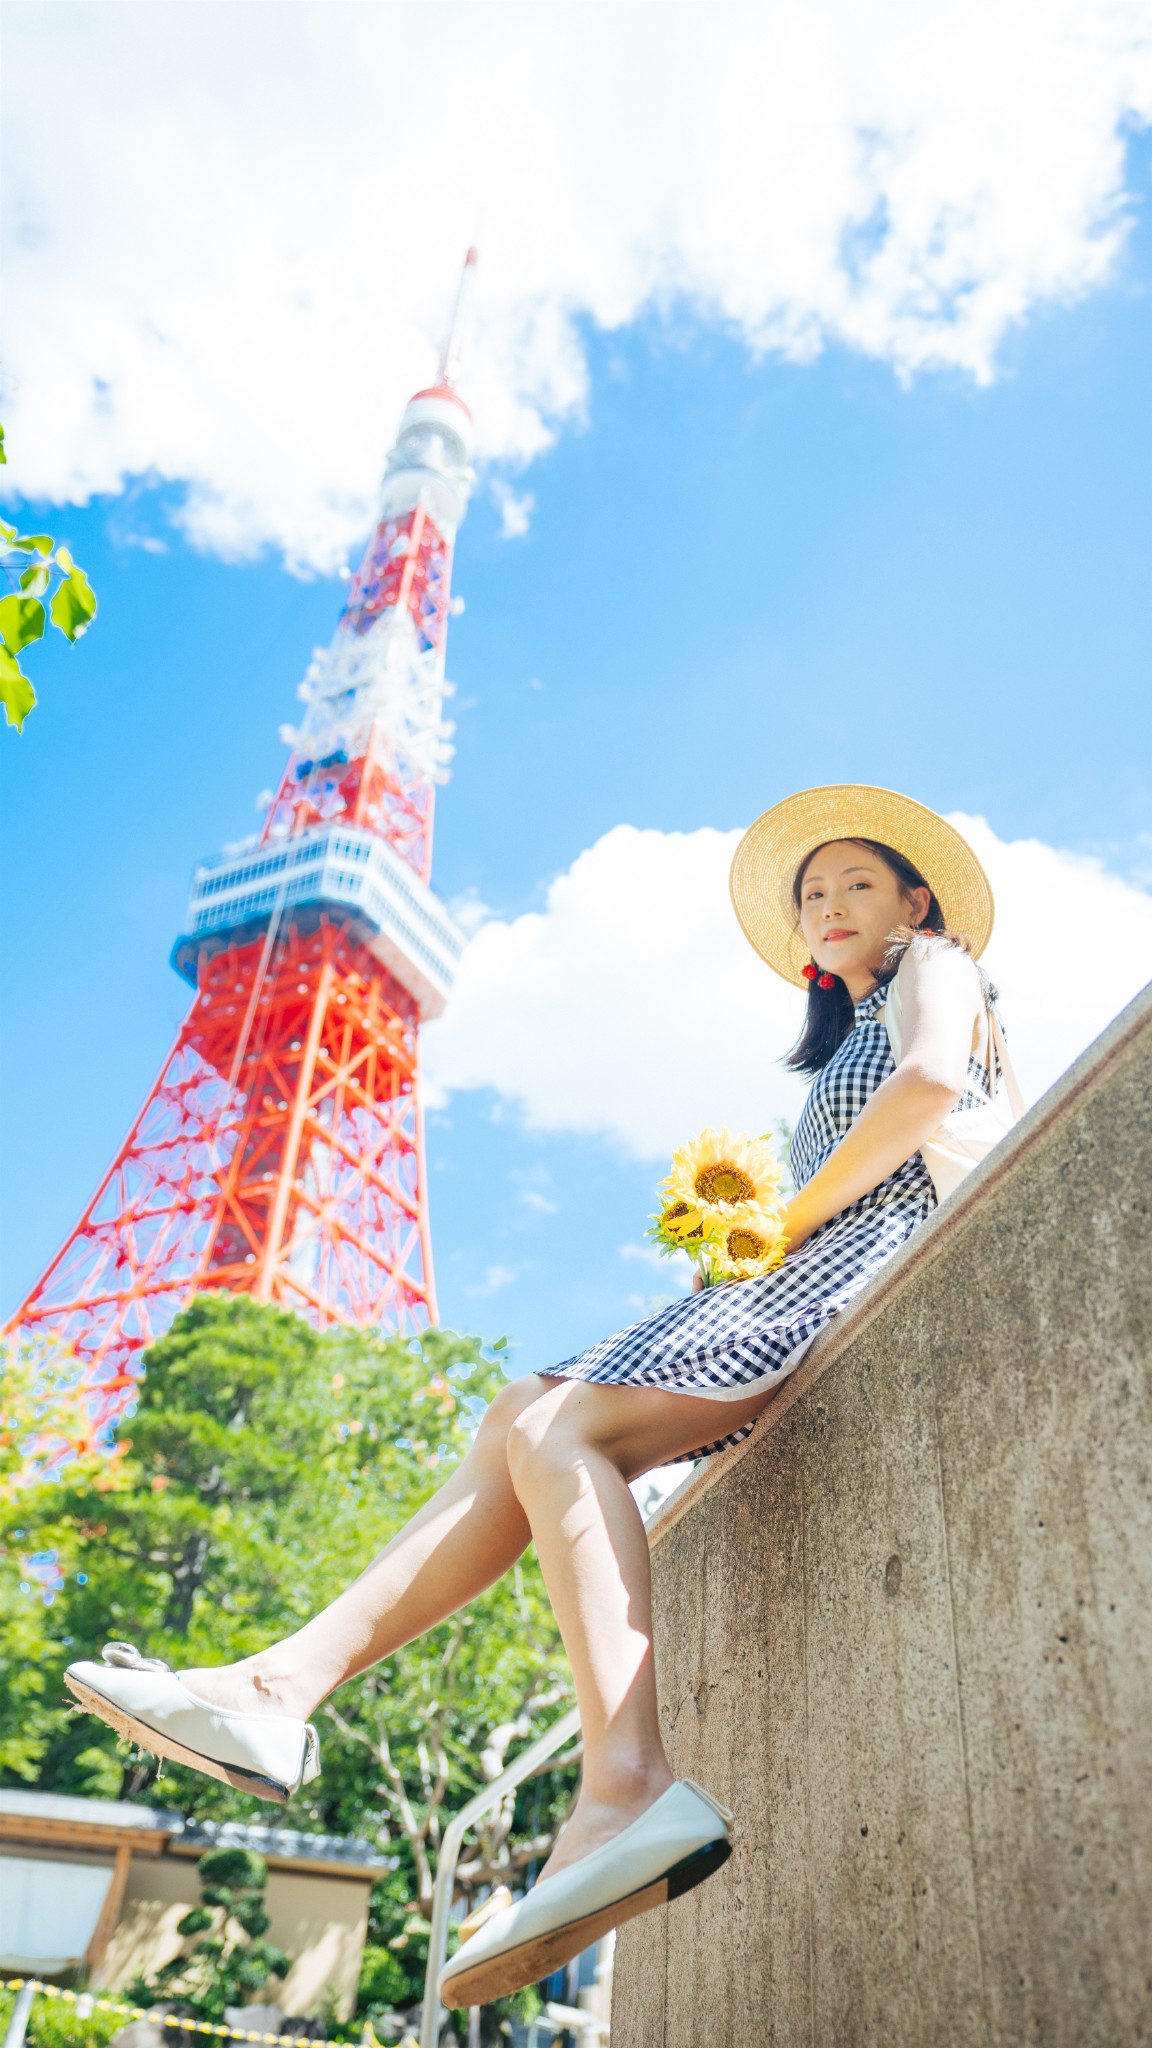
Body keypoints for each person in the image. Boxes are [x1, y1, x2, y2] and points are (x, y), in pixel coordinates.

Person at [66, 784, 1020, 2009]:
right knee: (519, 1406)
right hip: (816, 1262)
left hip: (868, 1257)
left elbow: (935, 1082)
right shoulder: (849, 1031)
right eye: (811, 894)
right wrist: (749, 1235)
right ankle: (279, 1687)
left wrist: (776, 1221)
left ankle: (625, 1779)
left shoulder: (936, 966)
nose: (828, 907)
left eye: (855, 885)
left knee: (565, 1421)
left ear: (915, 900)